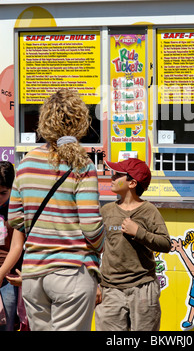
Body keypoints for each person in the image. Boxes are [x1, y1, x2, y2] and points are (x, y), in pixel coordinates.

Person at [8, 89, 105, 331]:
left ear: (44, 122)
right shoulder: (82, 164)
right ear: (82, 122)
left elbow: (14, 219)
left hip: (33, 276)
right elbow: (91, 227)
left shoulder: (26, 162)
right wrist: (101, 245)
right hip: (71, 273)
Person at [95, 157, 171, 332]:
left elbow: (166, 243)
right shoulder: (106, 211)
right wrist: (95, 283)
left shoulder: (149, 210)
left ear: (132, 183)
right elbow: (91, 247)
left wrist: (139, 233)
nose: (112, 178)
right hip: (110, 290)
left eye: (118, 175)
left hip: (143, 289)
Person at [0, 161, 23, 331]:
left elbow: (17, 246)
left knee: (7, 323)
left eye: (3, 193)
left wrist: (1, 273)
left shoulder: (16, 211)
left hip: (9, 276)